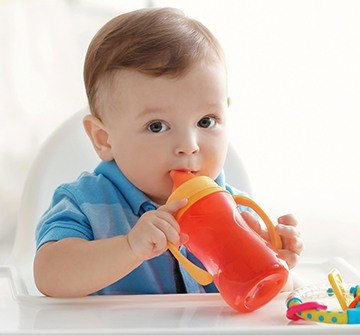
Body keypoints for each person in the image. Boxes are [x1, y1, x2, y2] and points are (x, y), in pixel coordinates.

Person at [34, 7, 303, 298]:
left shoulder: (239, 212)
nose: (189, 145)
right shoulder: (85, 203)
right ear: (104, 139)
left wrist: (278, 267)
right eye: (157, 126)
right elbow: (49, 275)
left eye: (206, 121)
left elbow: (271, 300)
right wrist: (129, 247)